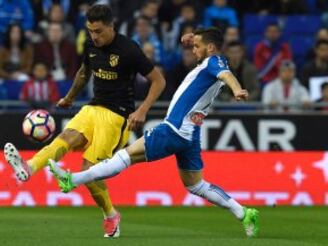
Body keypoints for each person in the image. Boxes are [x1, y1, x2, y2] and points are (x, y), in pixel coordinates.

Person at [48, 27, 260, 238]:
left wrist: (237, 89)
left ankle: (72, 180)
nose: (193, 50)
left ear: (211, 48)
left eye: (197, 46)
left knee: (126, 156)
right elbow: (212, 54)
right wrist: (193, 37)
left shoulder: (215, 62)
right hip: (189, 134)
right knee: (196, 185)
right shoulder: (208, 63)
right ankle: (244, 213)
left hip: (174, 129)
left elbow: (226, 75)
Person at [3, 4, 166, 238]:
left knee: (89, 173)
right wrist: (69, 97)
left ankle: (111, 215)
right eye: (90, 30)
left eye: (99, 31)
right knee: (66, 138)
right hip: (92, 107)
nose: (94, 36)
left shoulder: (129, 49)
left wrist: (142, 110)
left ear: (111, 27)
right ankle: (29, 168)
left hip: (116, 115)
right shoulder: (90, 44)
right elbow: (83, 71)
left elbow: (158, 80)